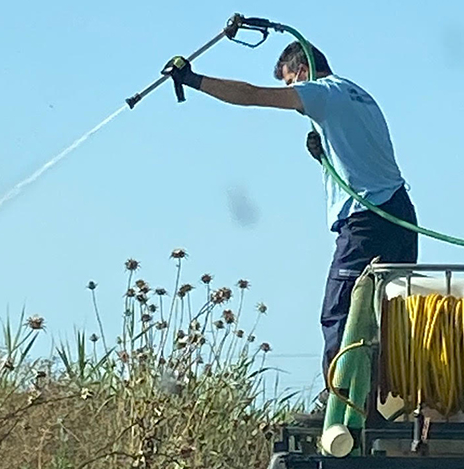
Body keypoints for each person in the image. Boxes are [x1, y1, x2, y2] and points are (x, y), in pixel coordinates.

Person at [163, 42, 419, 419]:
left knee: (340, 313)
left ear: (302, 72)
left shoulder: (322, 92)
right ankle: (389, 407)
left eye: (289, 83)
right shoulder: (359, 94)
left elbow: (250, 96)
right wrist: (326, 153)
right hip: (400, 215)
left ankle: (340, 402)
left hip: (367, 221)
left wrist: (193, 79)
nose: (289, 93)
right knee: (389, 317)